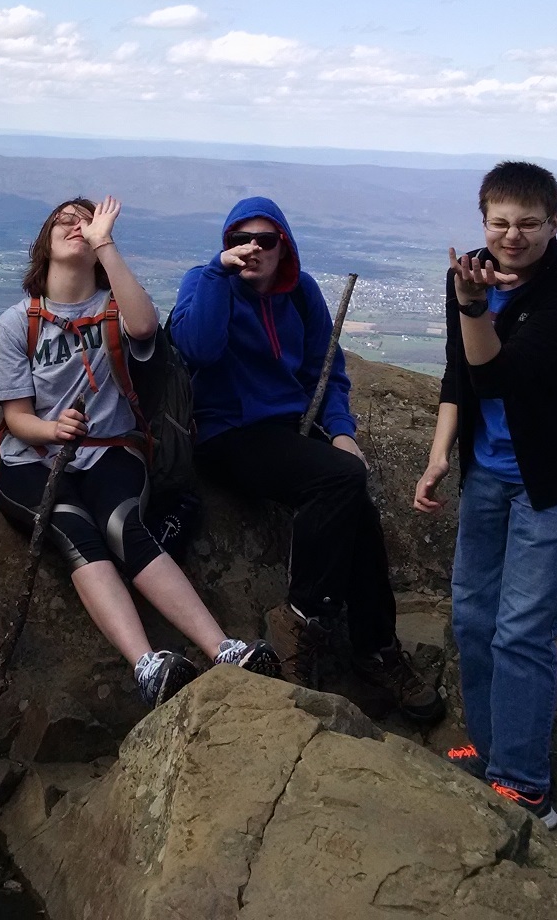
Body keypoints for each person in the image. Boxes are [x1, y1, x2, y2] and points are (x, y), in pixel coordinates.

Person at [0, 197, 280, 710]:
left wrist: (106, 245)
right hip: (32, 457)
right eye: (63, 221)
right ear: (43, 244)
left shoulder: (113, 308)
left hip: (109, 449)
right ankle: (146, 663)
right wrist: (51, 428)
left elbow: (145, 327)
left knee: (124, 524)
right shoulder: (19, 322)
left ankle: (222, 648)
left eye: (85, 220)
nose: (74, 226)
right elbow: (15, 417)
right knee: (74, 526)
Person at [169, 196, 442, 722]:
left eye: (264, 240)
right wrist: (216, 272)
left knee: (352, 496)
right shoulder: (203, 282)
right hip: (228, 434)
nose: (251, 249)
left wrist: (340, 430)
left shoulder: (302, 293)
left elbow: (326, 368)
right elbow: (197, 349)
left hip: (291, 427)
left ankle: (377, 647)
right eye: (237, 240)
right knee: (341, 483)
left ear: (283, 245)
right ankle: (301, 618)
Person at [413, 162, 557, 829]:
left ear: (554, 223)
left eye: (529, 223)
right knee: (473, 616)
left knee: (522, 630)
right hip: (490, 470)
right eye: (500, 222)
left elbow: (500, 374)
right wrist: (440, 454)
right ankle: (490, 747)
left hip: (556, 478)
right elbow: (458, 371)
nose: (513, 236)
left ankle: (525, 786)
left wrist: (476, 306)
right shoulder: (469, 272)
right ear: (482, 221)